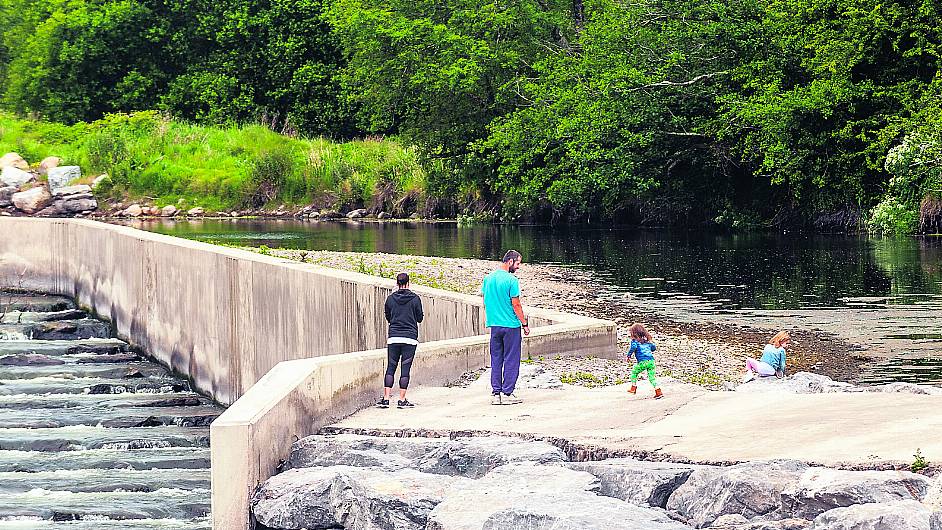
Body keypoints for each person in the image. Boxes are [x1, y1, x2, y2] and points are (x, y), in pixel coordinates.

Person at [482, 250, 530, 405]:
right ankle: (508, 393)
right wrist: (524, 323)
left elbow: (486, 300)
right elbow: (516, 304)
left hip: (495, 325)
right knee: (511, 359)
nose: (518, 267)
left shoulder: (488, 279)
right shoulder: (511, 280)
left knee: (496, 359)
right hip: (511, 326)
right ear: (510, 261)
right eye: (517, 264)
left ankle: (496, 394)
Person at [377, 272, 424, 409]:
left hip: (394, 337)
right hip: (409, 338)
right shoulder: (415, 299)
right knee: (405, 369)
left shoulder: (390, 299)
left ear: (397, 284)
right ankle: (402, 400)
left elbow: (388, 316)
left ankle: (386, 398)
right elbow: (419, 318)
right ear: (408, 283)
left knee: (391, 368)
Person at [626, 323, 663, 399]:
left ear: (634, 334)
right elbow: (653, 348)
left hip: (643, 362)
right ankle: (658, 391)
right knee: (652, 377)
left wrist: (629, 355)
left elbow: (633, 348)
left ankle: (633, 387)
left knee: (634, 372)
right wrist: (649, 344)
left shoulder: (635, 342)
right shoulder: (647, 342)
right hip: (651, 362)